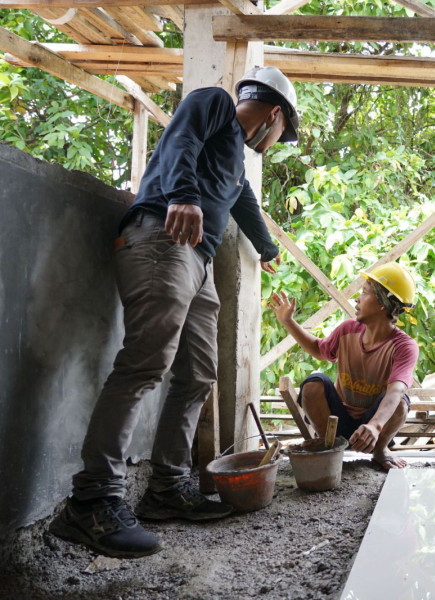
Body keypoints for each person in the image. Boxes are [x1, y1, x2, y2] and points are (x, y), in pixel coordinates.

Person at [50, 66, 300, 558]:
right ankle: (92, 500)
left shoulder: (233, 162)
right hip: (163, 241)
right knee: (144, 364)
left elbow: (243, 202)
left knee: (199, 374)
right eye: (283, 133)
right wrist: (183, 196)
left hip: (197, 261)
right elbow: (182, 137)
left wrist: (268, 249)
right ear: (274, 114)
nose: (277, 141)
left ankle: (166, 488)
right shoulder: (214, 106)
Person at [268, 262, 418, 471]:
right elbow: (319, 350)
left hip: (372, 427)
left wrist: (374, 426)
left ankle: (380, 451)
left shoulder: (404, 346)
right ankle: (328, 447)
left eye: (364, 293)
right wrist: (288, 321)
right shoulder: (348, 329)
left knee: (401, 403)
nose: (357, 299)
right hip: (337, 421)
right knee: (313, 384)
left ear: (382, 304)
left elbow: (397, 389)